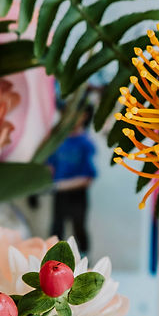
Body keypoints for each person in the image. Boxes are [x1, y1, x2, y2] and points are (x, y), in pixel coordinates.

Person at [47, 107, 97, 254]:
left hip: (77, 195)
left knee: (79, 227)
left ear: (84, 115)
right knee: (56, 230)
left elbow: (88, 177)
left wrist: (61, 185)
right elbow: (50, 165)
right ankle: (53, 263)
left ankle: (85, 261)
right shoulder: (57, 140)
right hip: (59, 194)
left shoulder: (85, 143)